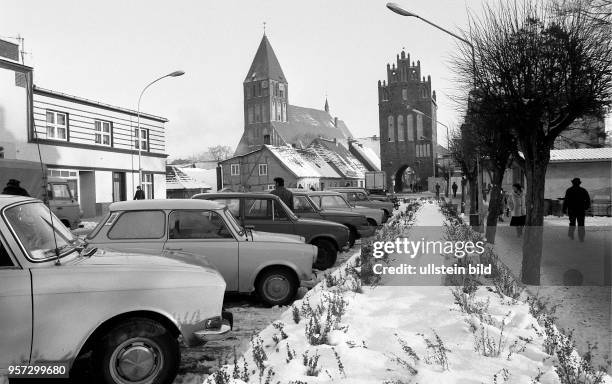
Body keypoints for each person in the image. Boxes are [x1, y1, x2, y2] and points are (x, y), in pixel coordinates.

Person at [562, 177, 590, 242]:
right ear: (579, 183)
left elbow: (566, 201)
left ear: (573, 183)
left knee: (572, 223)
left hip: (572, 210)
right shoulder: (583, 190)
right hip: (581, 210)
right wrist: (586, 207)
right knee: (581, 224)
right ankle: (581, 238)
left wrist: (564, 209)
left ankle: (571, 236)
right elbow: (588, 200)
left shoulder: (569, 190)